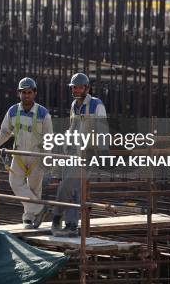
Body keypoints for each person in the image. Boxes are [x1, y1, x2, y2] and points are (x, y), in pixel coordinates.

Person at [0, 77, 53, 229]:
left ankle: (29, 218)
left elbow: (49, 137)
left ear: (34, 93)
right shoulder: (12, 111)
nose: (26, 95)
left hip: (37, 155)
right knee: (15, 182)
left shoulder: (44, 113)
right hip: (19, 154)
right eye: (23, 93)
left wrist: (47, 157)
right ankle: (39, 209)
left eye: (29, 92)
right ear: (19, 94)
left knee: (34, 188)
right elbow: (5, 132)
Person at [52, 72, 108, 237]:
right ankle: (71, 225)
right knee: (74, 191)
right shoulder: (74, 106)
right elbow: (72, 127)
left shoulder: (96, 105)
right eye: (74, 87)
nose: (76, 90)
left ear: (87, 88)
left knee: (66, 186)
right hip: (73, 154)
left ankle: (56, 216)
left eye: (79, 87)